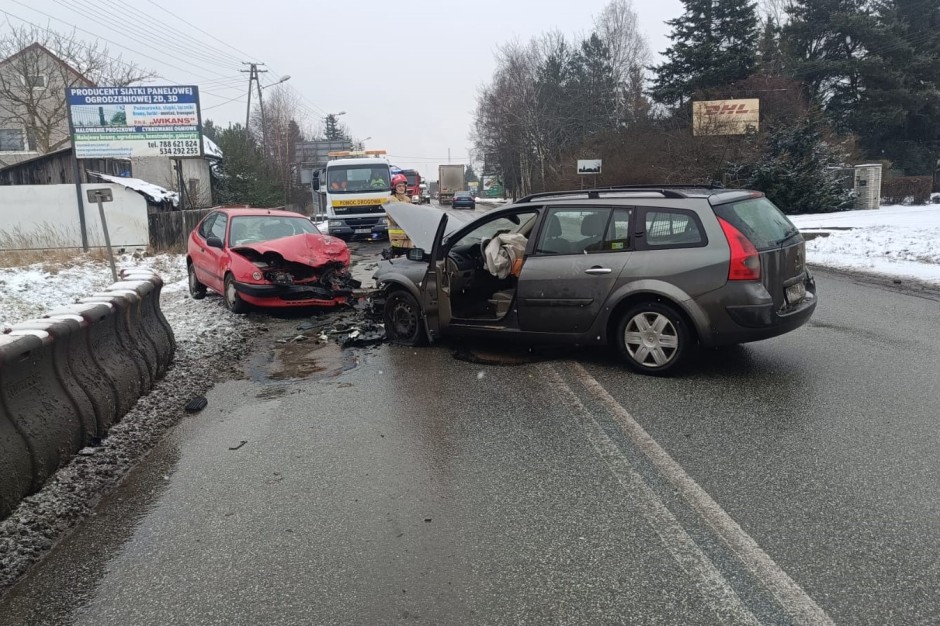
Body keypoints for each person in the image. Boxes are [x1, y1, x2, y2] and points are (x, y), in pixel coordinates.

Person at [384, 174, 414, 257]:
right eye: (399, 186)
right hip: (397, 238)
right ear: (394, 187)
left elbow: (412, 215)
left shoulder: (407, 200)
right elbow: (394, 218)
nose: (402, 188)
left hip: (408, 236)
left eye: (403, 186)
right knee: (398, 261)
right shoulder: (390, 200)